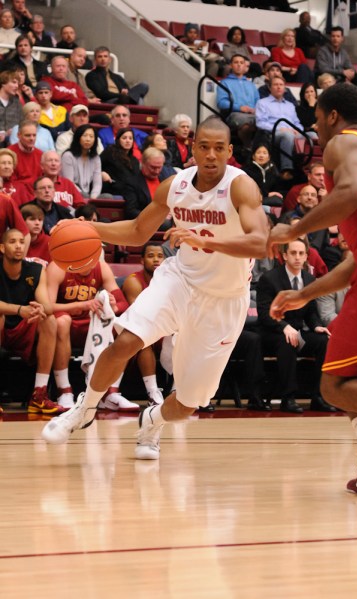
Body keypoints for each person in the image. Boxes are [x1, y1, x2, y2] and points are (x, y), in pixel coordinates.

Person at [41, 116, 270, 459]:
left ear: (230, 151)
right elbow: (136, 230)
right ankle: (83, 409)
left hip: (224, 300)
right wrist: (89, 228)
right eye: (204, 147)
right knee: (127, 339)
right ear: (192, 148)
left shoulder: (241, 186)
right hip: (180, 279)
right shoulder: (175, 186)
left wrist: (207, 242)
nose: (210, 155)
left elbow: (259, 243)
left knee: (188, 403)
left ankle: (153, 420)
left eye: (219, 148)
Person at [267, 83, 357, 498]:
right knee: (343, 372)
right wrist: (303, 295)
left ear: (333, 116)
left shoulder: (343, 143)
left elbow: (351, 193)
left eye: (317, 118)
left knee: (334, 383)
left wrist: (296, 226)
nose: (314, 126)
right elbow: (356, 263)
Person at [46, 255, 138, 410]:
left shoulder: (102, 267)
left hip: (91, 324)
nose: (89, 264)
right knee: (62, 322)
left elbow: (123, 304)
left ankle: (111, 393)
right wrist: (82, 305)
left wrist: (113, 306)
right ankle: (64, 391)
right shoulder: (58, 267)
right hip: (65, 324)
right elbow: (47, 306)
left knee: (125, 328)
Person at [257, 238, 334, 413]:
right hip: (273, 332)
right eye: (293, 253)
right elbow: (264, 313)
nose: (297, 257)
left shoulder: (309, 279)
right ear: (284, 255)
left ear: (307, 256)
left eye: (301, 253)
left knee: (324, 341)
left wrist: (316, 326)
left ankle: (318, 396)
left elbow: (311, 312)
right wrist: (284, 326)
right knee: (288, 341)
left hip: (298, 331)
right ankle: (288, 397)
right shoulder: (269, 278)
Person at [0, 228, 64, 415]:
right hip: (4, 324)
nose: (19, 246)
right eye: (13, 242)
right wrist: (20, 310)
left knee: (49, 320)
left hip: (23, 327)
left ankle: (39, 394)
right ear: (2, 248)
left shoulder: (36, 270)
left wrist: (39, 309)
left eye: (21, 241)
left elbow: (46, 305)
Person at [121, 243, 166, 407]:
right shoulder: (133, 281)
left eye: (160, 256)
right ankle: (153, 392)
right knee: (143, 338)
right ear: (141, 260)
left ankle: (179, 391)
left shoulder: (169, 281)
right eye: (151, 256)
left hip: (164, 328)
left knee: (186, 335)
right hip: (145, 328)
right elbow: (140, 314)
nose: (156, 259)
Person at [255, 75, 304, 180]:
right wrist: (279, 128)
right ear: (270, 87)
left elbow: (297, 123)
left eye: (281, 85)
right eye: (276, 84)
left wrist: (298, 130)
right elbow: (260, 123)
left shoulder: (290, 105)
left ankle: (309, 167)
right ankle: (286, 169)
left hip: (292, 132)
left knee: (312, 135)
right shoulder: (262, 103)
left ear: (284, 88)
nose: (279, 87)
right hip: (273, 134)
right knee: (287, 135)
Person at [217, 54, 259, 148]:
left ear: (245, 66)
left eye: (241, 62)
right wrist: (240, 107)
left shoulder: (251, 84)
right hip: (235, 114)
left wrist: (256, 109)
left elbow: (258, 101)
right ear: (231, 65)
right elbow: (221, 103)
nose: (239, 65)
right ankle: (249, 148)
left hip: (253, 114)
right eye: (236, 62)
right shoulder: (225, 83)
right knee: (246, 125)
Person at [61, 124, 102, 199]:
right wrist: (84, 196)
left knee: (108, 197)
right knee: (84, 196)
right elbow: (69, 182)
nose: (88, 139)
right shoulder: (68, 156)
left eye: (91, 136)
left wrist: (93, 197)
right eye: (85, 135)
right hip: (71, 194)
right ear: (78, 137)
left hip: (88, 195)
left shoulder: (96, 158)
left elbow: (97, 184)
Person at [100, 127, 140, 198]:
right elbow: (96, 166)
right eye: (124, 138)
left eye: (130, 138)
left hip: (129, 193)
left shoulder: (135, 161)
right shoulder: (110, 152)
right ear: (118, 140)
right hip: (111, 190)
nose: (128, 141)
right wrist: (101, 173)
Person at [8, 120, 43, 190]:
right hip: (18, 193)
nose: (32, 138)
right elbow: (10, 183)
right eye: (28, 135)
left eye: (34, 135)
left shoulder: (40, 154)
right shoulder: (9, 154)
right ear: (18, 135)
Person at [0, 69, 22, 146]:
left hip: (13, 140)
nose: (17, 86)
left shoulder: (16, 103)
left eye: (18, 83)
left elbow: (21, 122)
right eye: (13, 82)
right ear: (3, 83)